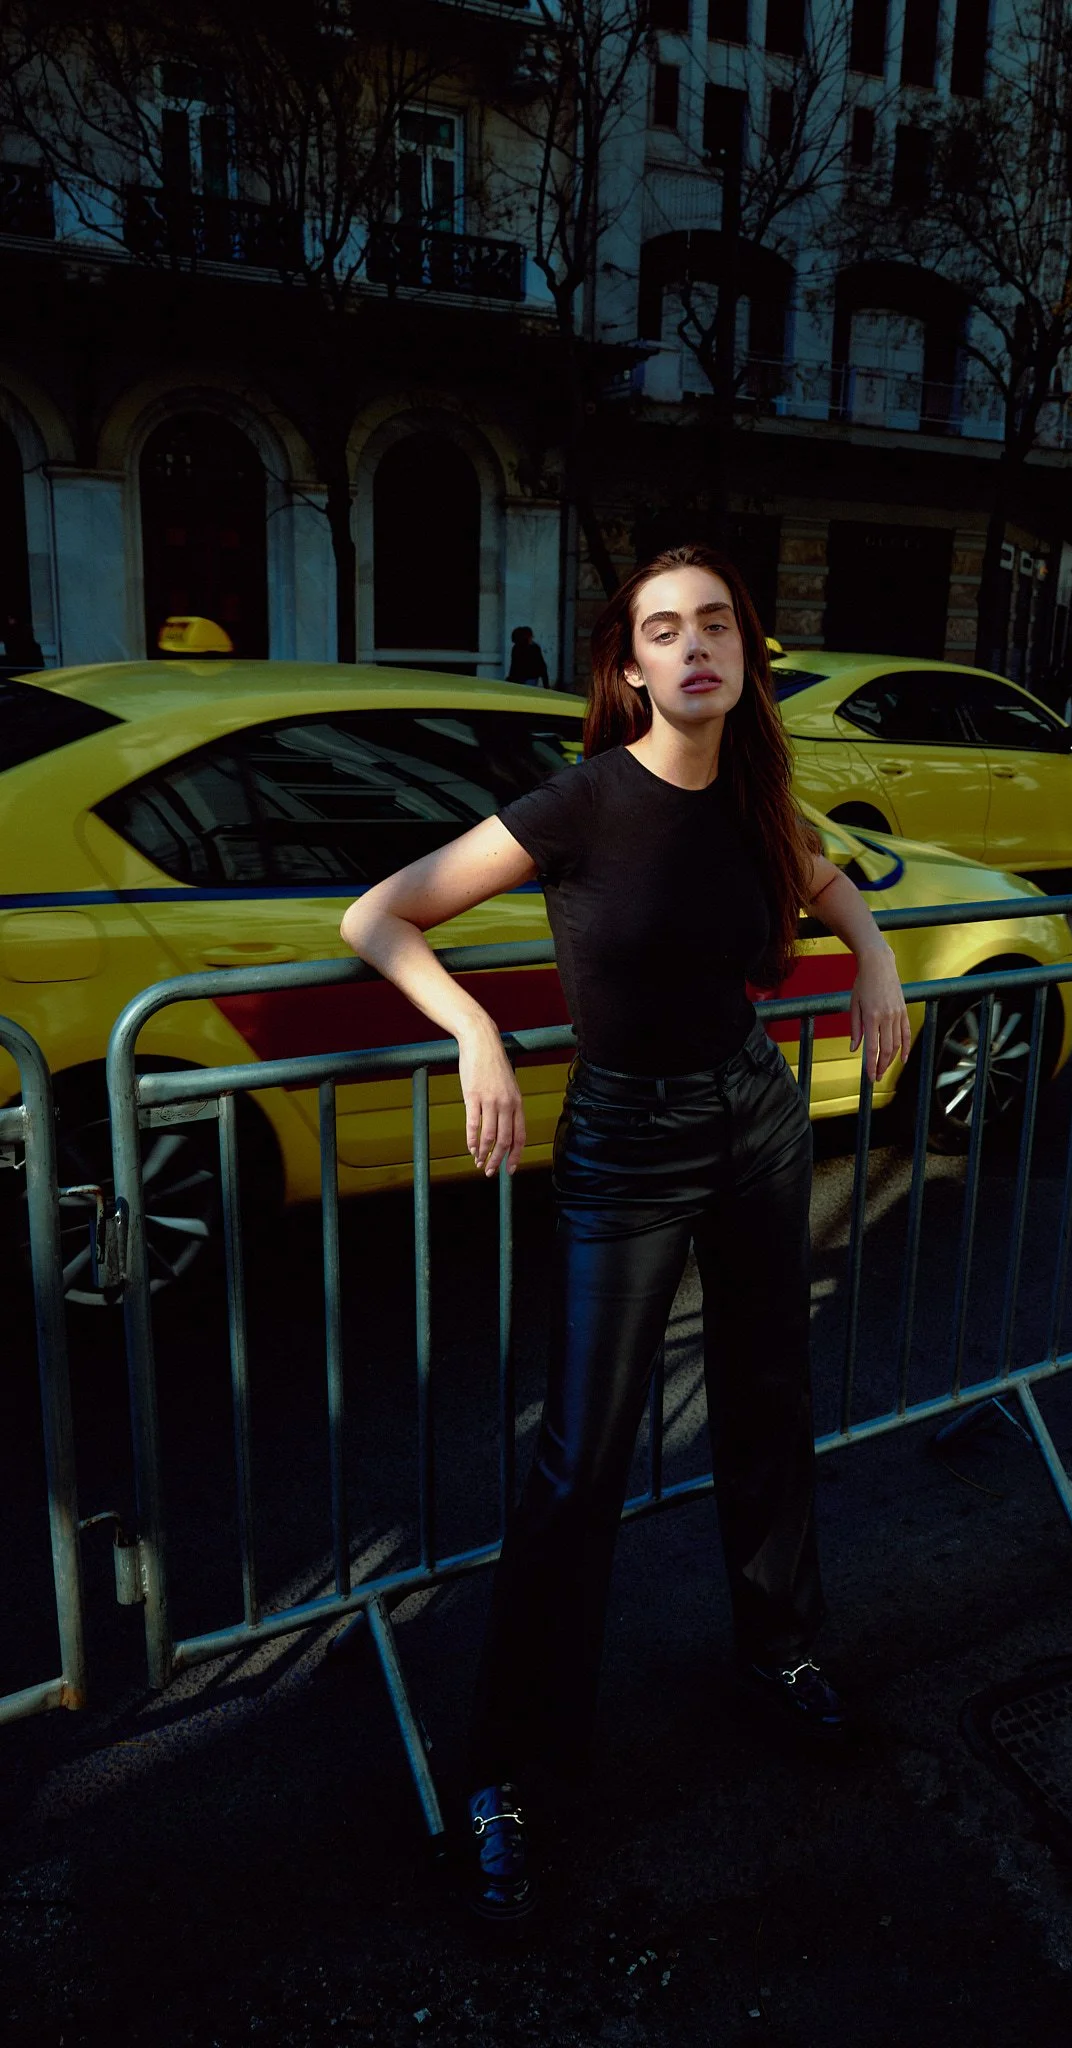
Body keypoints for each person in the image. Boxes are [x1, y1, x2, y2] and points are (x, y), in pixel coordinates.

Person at [340, 544, 911, 1924]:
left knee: (768, 1405)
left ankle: (780, 1654)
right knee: (582, 1459)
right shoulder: (584, 799)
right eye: (666, 630)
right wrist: (476, 1030)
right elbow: (378, 914)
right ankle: (510, 1772)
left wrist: (879, 956)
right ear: (634, 666)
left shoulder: (760, 796)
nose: (695, 646)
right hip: (626, 1145)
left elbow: (830, 885)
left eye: (716, 624)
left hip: (756, 1121)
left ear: (746, 655)